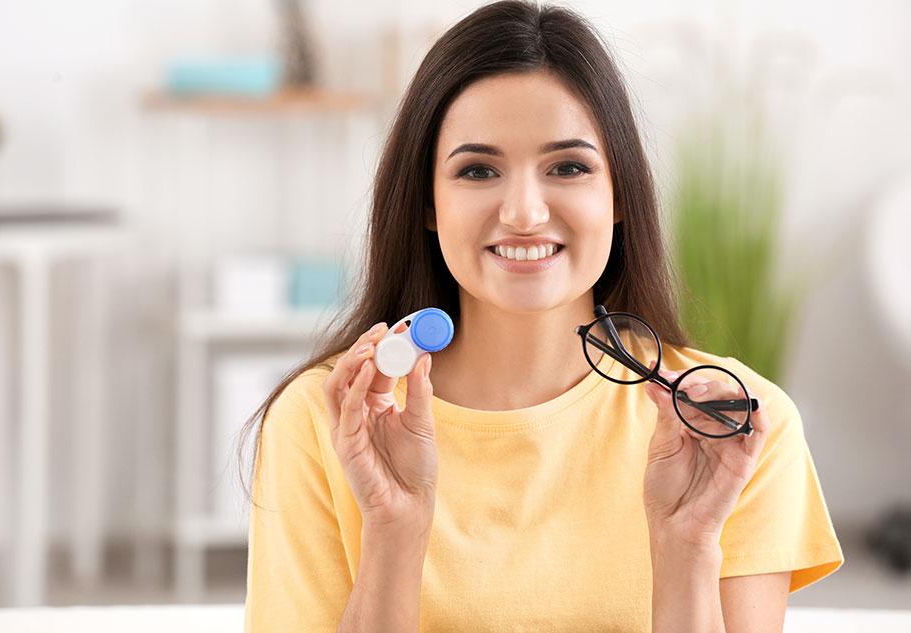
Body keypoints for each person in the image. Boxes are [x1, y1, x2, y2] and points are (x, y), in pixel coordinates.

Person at [240, 2, 843, 631]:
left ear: (619, 196)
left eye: (568, 167)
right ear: (428, 203)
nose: (524, 211)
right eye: (478, 170)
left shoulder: (728, 428)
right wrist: (392, 531)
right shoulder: (327, 420)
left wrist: (687, 545)